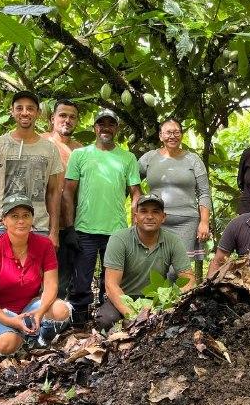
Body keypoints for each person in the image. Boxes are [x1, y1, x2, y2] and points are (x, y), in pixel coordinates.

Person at [63, 109, 141, 324]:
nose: (105, 127)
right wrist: (69, 227)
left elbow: (136, 193)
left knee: (112, 281)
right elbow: (68, 191)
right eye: (101, 123)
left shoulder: (127, 158)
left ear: (117, 128)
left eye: (110, 124)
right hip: (85, 228)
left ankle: (106, 320)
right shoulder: (80, 155)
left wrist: (134, 226)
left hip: (116, 231)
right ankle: (78, 323)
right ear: (94, 127)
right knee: (81, 281)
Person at [0, 194, 71, 360]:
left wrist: (39, 313)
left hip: (28, 307)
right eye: (14, 216)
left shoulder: (44, 245)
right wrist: (11, 321)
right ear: (4, 220)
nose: (21, 221)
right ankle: (13, 340)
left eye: (26, 215)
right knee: (7, 343)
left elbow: (51, 285)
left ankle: (37, 340)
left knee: (61, 309)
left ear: (32, 219)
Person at [0, 90, 64, 256]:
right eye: (19, 108)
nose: (25, 112)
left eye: (30, 108)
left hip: (38, 227)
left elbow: (53, 193)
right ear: (12, 112)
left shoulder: (49, 149)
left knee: (35, 280)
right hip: (1, 226)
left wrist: (54, 232)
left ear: (38, 113)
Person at [96, 194, 195, 330]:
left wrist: (169, 303)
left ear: (163, 217)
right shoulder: (119, 239)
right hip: (124, 297)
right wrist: (133, 315)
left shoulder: (173, 241)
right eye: (143, 211)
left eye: (155, 212)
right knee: (107, 320)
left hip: (157, 299)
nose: (149, 216)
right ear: (135, 216)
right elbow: (111, 285)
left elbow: (189, 279)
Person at [139, 118, 212, 270]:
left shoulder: (193, 160)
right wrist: (140, 202)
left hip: (186, 222)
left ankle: (181, 295)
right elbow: (131, 181)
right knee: (155, 267)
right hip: (155, 220)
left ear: (181, 135)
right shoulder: (149, 158)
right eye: (168, 132)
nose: (172, 136)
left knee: (178, 270)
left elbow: (204, 191)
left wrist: (204, 221)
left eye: (176, 132)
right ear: (160, 136)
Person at [41, 99, 82, 299]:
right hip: (40, 223)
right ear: (52, 118)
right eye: (62, 115)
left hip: (70, 225)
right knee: (36, 277)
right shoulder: (40, 142)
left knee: (62, 281)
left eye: (72, 117)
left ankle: (55, 324)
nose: (67, 120)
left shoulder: (80, 150)